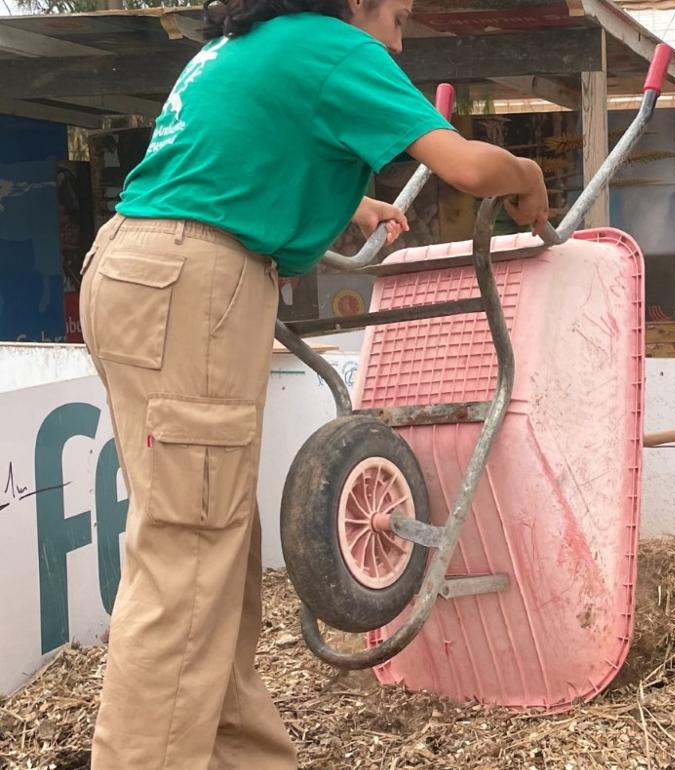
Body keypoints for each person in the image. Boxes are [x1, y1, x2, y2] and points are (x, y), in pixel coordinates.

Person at [77, 0, 550, 766]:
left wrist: (347, 202)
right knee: (189, 555)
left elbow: (232, 161)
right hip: (191, 286)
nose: (401, 28)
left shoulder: (248, 45)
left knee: (211, 541)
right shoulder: (334, 45)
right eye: (397, 13)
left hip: (134, 269)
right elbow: (465, 166)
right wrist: (526, 174)